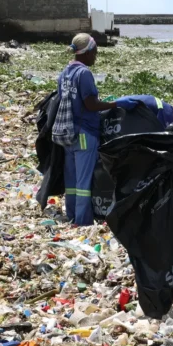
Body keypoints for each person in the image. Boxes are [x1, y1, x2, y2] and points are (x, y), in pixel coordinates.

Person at [55, 33, 138, 226]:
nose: (96, 57)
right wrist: (116, 104)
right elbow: (91, 104)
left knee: (72, 178)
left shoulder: (65, 73)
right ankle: (82, 221)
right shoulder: (84, 73)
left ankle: (72, 215)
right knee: (84, 181)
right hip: (84, 133)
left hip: (67, 132)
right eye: (95, 52)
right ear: (87, 52)